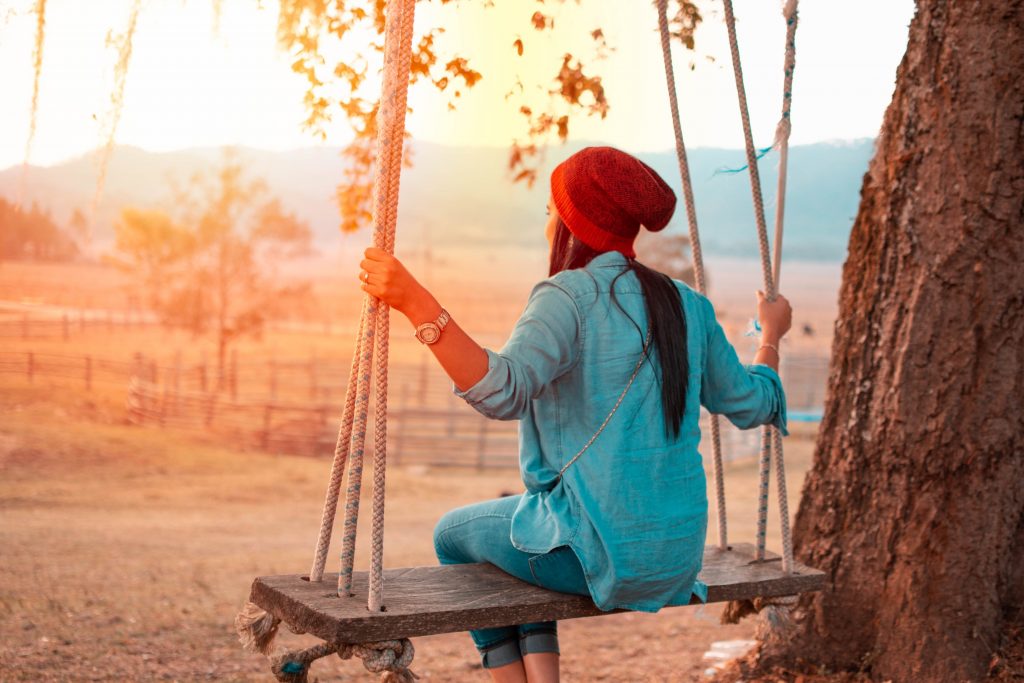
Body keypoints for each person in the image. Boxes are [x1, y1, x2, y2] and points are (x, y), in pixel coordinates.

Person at [358, 146, 791, 683]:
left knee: (454, 535)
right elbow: (754, 404)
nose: (547, 224)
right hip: (676, 560)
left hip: (598, 558)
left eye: (548, 213)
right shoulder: (687, 303)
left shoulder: (567, 296)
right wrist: (769, 335)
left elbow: (502, 392)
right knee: (529, 523)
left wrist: (415, 301)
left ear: (569, 223)